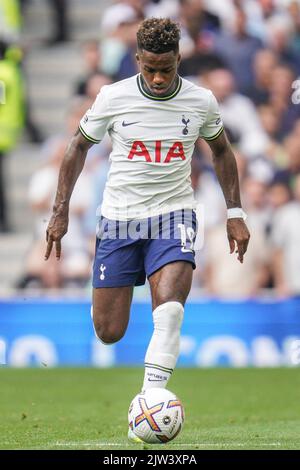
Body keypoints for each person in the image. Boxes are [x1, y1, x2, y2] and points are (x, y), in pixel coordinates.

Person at [44, 18, 250, 441]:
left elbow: (223, 153)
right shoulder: (113, 98)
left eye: (167, 69)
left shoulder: (201, 101)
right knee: (108, 332)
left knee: (170, 310)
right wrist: (60, 211)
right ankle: (144, 387)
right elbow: (77, 147)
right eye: (150, 68)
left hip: (174, 215)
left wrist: (236, 212)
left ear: (179, 59)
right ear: (137, 59)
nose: (158, 78)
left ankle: (150, 403)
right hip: (119, 220)